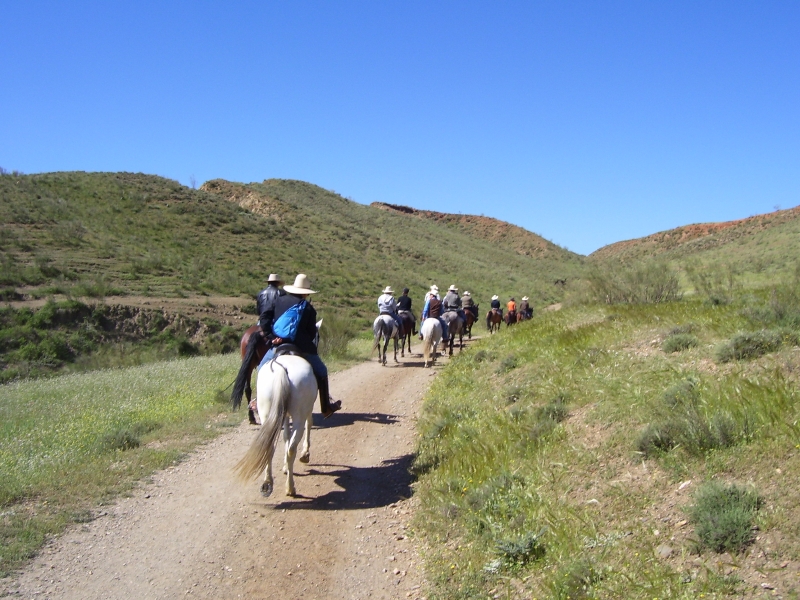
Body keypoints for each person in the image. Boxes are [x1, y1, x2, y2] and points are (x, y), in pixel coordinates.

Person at [262, 274, 341, 418]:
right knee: (322, 371)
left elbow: (264, 318)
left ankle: (257, 400)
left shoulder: (278, 301)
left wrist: (272, 337)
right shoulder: (309, 308)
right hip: (301, 347)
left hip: (278, 343)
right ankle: (326, 407)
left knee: (262, 368)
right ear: (305, 292)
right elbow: (311, 333)